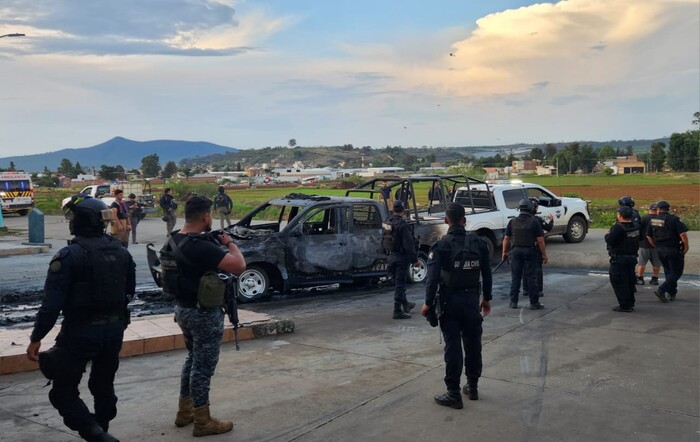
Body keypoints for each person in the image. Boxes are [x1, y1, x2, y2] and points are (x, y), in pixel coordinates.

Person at [26, 195, 135, 442]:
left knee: (62, 392)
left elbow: (50, 306)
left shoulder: (68, 255)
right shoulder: (122, 252)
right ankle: (102, 428)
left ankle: (96, 434)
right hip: (114, 330)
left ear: (79, 221)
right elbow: (129, 291)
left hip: (80, 332)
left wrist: (36, 338)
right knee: (103, 385)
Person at [161, 195, 246, 437]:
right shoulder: (202, 247)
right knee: (203, 368)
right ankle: (203, 421)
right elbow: (239, 266)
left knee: (192, 360)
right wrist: (230, 243)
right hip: (204, 314)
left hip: (183, 310)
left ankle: (184, 411)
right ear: (206, 216)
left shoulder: (174, 239)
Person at [421, 202, 492, 409]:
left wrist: (427, 304)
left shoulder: (441, 246)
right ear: (464, 220)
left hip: (449, 303)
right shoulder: (479, 243)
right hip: (472, 302)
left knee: (453, 347)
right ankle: (472, 386)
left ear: (446, 220)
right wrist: (486, 299)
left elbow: (431, 279)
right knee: (473, 345)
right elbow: (486, 274)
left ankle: (453, 393)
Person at [502, 199, 547, 310]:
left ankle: (513, 302)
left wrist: (504, 252)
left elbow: (506, 239)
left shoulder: (512, 222)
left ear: (520, 208)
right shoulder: (534, 221)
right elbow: (540, 240)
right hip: (530, 251)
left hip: (516, 251)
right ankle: (534, 302)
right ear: (530, 208)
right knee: (531, 277)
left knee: (516, 277)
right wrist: (544, 254)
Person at [647, 200, 689, 302]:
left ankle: (671, 293)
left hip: (660, 249)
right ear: (668, 209)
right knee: (676, 272)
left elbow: (648, 236)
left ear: (658, 209)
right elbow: (683, 234)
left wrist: (656, 246)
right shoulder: (674, 219)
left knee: (668, 271)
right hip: (673, 249)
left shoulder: (653, 220)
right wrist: (686, 246)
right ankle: (662, 290)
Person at [386, 200, 419, 319]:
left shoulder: (388, 222)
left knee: (398, 281)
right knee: (400, 284)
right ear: (403, 210)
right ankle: (397, 311)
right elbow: (408, 244)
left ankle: (406, 304)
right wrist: (414, 260)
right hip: (400, 257)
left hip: (391, 256)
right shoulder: (402, 225)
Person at [605, 206, 640, 312]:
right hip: (632, 257)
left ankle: (625, 305)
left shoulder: (618, 227)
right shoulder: (636, 226)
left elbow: (610, 240)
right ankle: (630, 302)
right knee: (629, 280)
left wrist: (607, 235)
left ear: (620, 215)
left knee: (619, 281)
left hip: (619, 259)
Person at [530, 197, 554, 297]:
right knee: (537, 270)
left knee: (525, 270)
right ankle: (538, 290)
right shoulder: (537, 220)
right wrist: (551, 220)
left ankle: (526, 289)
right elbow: (547, 229)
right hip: (535, 249)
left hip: (522, 248)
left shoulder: (517, 220)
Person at [636, 203, 661, 285]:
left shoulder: (643, 218)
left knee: (642, 262)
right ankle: (655, 279)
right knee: (656, 263)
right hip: (656, 244)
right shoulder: (658, 219)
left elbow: (638, 229)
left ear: (649, 210)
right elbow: (660, 232)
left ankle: (640, 278)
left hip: (644, 244)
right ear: (657, 210)